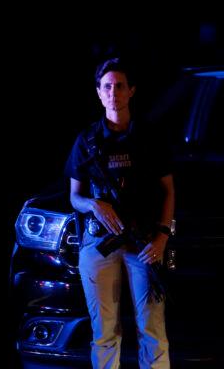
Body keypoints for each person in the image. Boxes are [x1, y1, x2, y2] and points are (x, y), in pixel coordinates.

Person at [65, 57, 175, 368]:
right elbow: (74, 196)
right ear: (99, 93)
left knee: (153, 331)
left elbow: (168, 191)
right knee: (104, 333)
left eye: (120, 86)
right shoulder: (86, 141)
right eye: (107, 87)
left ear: (131, 91)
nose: (114, 92)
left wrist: (162, 237)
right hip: (100, 245)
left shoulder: (150, 137)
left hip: (143, 244)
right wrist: (94, 205)